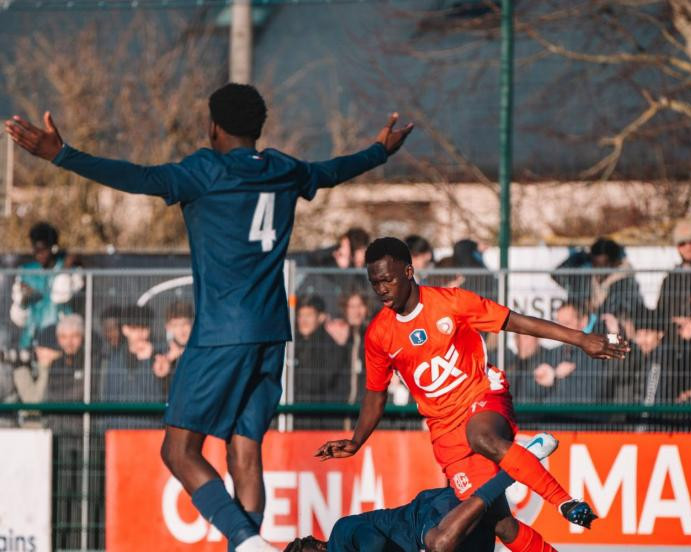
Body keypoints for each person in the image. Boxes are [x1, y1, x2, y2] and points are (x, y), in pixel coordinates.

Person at [5, 84, 413, 552]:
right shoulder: (283, 169)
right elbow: (332, 171)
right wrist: (379, 152)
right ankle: (248, 542)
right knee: (244, 448)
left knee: (178, 450)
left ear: (213, 125)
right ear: (257, 128)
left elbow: (137, 176)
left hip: (222, 331)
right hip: (271, 333)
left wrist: (62, 155)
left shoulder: (205, 171)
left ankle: (246, 542)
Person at [315, 238, 628, 551]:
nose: (381, 289)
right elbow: (375, 394)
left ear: (409, 271)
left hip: (483, 394)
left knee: (481, 436)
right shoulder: (379, 334)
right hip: (445, 432)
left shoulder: (451, 302)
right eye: (374, 282)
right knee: (500, 524)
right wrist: (356, 440)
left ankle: (565, 502)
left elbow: (515, 322)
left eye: (388, 280)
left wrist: (582, 339)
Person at [298, 433, 558, 552]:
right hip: (445, 529)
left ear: (317, 546)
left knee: (440, 544)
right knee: (504, 527)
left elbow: (373, 542)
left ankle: (518, 465)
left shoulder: (339, 536)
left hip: (429, 515)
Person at [9, 222, 83, 348]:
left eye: (44, 250)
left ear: (53, 248)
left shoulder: (70, 267)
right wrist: (23, 301)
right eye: (36, 250)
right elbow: (18, 319)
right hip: (32, 341)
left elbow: (60, 297)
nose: (40, 255)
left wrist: (65, 270)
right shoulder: (25, 272)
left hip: (61, 342)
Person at [153, 300, 194, 396]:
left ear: (193, 323)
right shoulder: (158, 353)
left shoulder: (202, 351)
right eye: (175, 325)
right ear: (168, 327)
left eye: (185, 323)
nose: (181, 330)